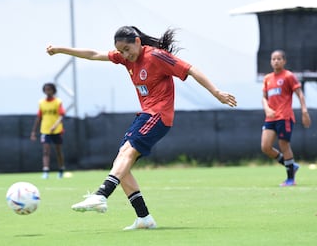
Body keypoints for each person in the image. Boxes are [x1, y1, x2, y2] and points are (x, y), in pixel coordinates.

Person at [46, 26, 237, 230]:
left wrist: (216, 92)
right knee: (122, 163)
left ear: (137, 41)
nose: (126, 55)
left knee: (125, 153)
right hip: (146, 115)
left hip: (159, 115)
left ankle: (101, 195)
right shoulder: (125, 59)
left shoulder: (156, 56)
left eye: (128, 49)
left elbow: (190, 69)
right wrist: (60, 49)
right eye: (122, 52)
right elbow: (93, 54)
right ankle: (144, 218)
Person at [261, 49, 311, 187]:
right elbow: (264, 98)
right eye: (273, 59)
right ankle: (291, 166)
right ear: (271, 61)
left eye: (278, 59)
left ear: (284, 61)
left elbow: (299, 94)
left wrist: (304, 111)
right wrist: (267, 108)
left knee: (284, 145)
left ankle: (290, 179)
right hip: (271, 117)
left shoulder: (288, 76)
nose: (276, 61)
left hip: (285, 116)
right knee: (265, 147)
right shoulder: (267, 78)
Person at [30, 82, 66, 179]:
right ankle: (45, 170)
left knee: (58, 151)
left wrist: (55, 125)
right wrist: (34, 131)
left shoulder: (58, 102)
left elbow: (62, 116)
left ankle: (61, 169)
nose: (48, 91)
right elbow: (39, 117)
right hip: (45, 130)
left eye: (49, 89)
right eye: (46, 90)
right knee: (46, 151)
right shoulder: (41, 103)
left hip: (57, 130)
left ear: (53, 91)